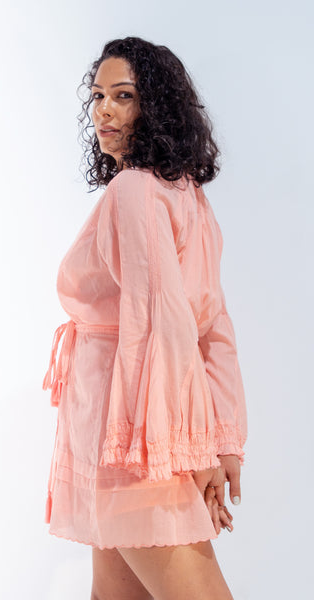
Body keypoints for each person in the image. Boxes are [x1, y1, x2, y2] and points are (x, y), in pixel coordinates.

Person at [42, 36, 248, 600]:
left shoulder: (135, 190)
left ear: (156, 104)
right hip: (134, 426)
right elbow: (212, 325)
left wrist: (200, 450)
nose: (104, 111)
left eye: (124, 96)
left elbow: (170, 324)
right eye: (97, 96)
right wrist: (223, 438)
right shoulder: (183, 191)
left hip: (137, 432)